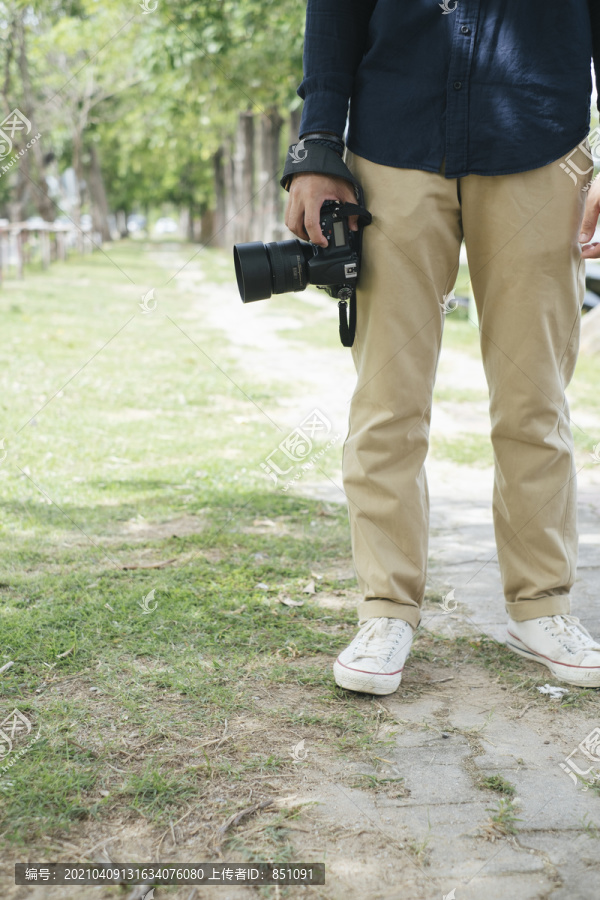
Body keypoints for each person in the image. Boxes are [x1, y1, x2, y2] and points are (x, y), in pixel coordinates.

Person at [284, 0, 600, 695]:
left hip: (541, 143)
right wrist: (317, 145)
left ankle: (541, 607)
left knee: (534, 400)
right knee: (387, 401)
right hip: (389, 149)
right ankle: (386, 611)